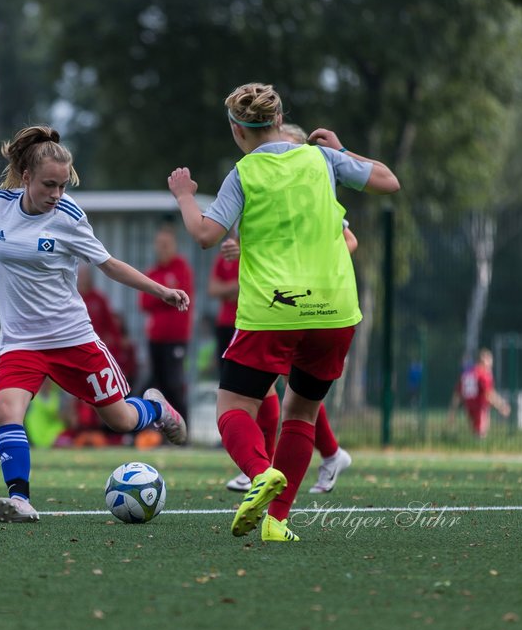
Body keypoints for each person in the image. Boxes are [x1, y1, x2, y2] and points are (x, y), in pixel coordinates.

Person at [0, 125, 190, 524]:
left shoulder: (69, 218)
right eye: (49, 185)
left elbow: (109, 264)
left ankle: (155, 407)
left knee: (120, 420)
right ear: (26, 177)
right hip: (20, 343)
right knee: (6, 408)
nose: (56, 194)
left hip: (73, 339)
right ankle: (20, 498)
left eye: (62, 186)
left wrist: (160, 290)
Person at [168, 82, 399, 542]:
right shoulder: (322, 159)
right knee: (302, 413)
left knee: (233, 406)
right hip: (335, 311)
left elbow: (204, 235)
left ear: (238, 130)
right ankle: (277, 522)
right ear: (279, 120)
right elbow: (388, 181)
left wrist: (184, 194)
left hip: (274, 310)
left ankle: (258, 472)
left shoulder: (244, 173)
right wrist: (343, 149)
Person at [218, 231, 353, 495]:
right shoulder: (253, 194)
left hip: (297, 309)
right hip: (264, 306)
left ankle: (264, 470)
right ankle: (318, 457)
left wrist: (184, 196)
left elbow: (349, 240)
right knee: (276, 388)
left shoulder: (312, 193)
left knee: (292, 394)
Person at [139, 224, 194, 426]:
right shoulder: (152, 272)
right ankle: (162, 430)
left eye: (167, 244)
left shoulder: (182, 268)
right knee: (158, 384)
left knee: (174, 384)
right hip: (155, 338)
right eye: (160, 244)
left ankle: (184, 427)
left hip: (176, 338)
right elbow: (144, 302)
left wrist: (159, 295)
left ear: (174, 245)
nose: (163, 249)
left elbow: (181, 297)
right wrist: (164, 295)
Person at [449, 348, 509, 437]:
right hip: (480, 406)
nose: (491, 363)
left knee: (475, 432)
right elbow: (489, 393)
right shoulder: (484, 374)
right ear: (484, 360)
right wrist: (501, 405)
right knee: (480, 434)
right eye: (490, 360)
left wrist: (452, 411)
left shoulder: (468, 373)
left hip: (469, 406)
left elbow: (457, 394)